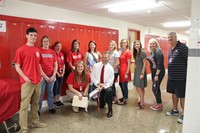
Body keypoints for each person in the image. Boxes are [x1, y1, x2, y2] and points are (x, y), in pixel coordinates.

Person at [14, 27, 47, 133]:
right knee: (24, 106)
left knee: (36, 103)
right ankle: (23, 129)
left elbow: (39, 64)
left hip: (38, 81)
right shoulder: (21, 50)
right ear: (26, 36)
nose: (33, 37)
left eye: (35, 35)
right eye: (31, 35)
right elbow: (17, 66)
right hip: (27, 82)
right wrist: (25, 77)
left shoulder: (37, 50)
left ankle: (35, 122)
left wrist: (41, 75)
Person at [165, 31, 188, 124]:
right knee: (173, 93)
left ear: (176, 37)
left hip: (180, 78)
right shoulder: (171, 49)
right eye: (169, 37)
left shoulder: (183, 48)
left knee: (182, 96)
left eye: (172, 37)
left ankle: (185, 114)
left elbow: (189, 63)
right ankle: (175, 110)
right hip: (171, 77)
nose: (170, 39)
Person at [90, 52, 114, 118]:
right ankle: (102, 101)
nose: (104, 59)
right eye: (103, 57)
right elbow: (92, 76)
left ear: (109, 58)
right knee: (101, 106)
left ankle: (110, 109)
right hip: (97, 85)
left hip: (106, 87)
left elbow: (110, 82)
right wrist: (98, 83)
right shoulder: (96, 65)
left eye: (106, 57)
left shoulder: (111, 68)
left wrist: (103, 87)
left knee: (109, 91)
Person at [39, 36, 58, 115]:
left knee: (50, 92)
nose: (46, 42)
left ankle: (51, 107)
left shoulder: (52, 52)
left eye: (47, 41)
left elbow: (55, 65)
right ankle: (38, 109)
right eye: (44, 41)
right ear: (42, 42)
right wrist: (45, 76)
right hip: (42, 76)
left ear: (49, 42)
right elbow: (38, 65)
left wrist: (53, 75)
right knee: (40, 93)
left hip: (51, 75)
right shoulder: (39, 51)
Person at [147, 38, 165, 111]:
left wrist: (157, 75)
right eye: (150, 44)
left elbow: (159, 64)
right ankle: (158, 103)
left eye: (153, 43)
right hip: (154, 72)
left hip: (159, 72)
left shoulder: (158, 51)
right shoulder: (152, 52)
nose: (152, 45)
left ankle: (159, 104)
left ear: (156, 44)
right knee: (156, 87)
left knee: (155, 88)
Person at [133, 40, 147, 109]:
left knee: (138, 87)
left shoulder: (142, 52)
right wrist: (135, 63)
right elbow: (138, 61)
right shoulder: (137, 52)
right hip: (137, 70)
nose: (136, 45)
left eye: (138, 44)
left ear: (140, 45)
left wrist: (142, 73)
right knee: (141, 87)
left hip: (141, 71)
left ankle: (141, 103)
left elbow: (145, 63)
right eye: (135, 44)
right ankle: (142, 101)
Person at [118, 39, 131, 105]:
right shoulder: (122, 51)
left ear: (127, 44)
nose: (123, 44)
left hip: (125, 70)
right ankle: (124, 96)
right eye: (122, 43)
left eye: (125, 43)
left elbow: (129, 63)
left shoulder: (128, 52)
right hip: (121, 70)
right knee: (120, 84)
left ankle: (125, 99)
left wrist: (127, 73)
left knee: (124, 85)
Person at [53, 41, 65, 106]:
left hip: (61, 74)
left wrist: (63, 72)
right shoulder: (53, 54)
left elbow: (64, 64)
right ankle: (55, 100)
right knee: (55, 86)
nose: (59, 47)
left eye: (60, 46)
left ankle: (58, 99)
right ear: (55, 47)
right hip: (55, 74)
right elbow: (52, 65)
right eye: (57, 46)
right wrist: (57, 73)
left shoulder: (62, 54)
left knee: (59, 87)